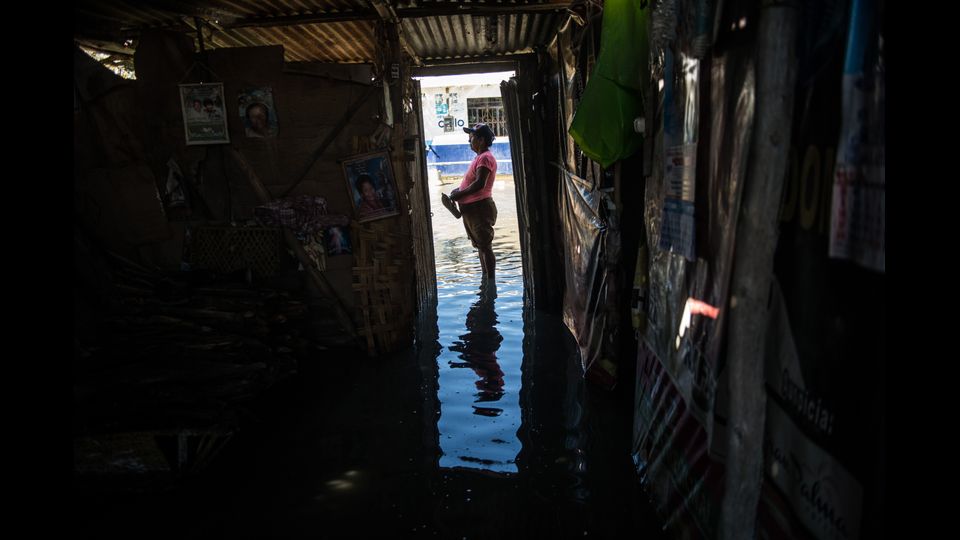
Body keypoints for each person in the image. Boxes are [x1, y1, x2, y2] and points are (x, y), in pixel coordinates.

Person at [444, 123, 498, 283]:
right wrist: (458, 190)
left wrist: (459, 194)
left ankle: (490, 283)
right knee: (481, 246)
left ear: (481, 140)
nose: (469, 140)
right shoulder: (480, 158)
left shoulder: (485, 158)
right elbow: (472, 182)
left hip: (479, 208)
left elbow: (480, 184)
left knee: (485, 246)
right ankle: (486, 280)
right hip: (472, 209)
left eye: (472, 137)